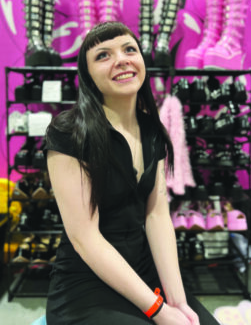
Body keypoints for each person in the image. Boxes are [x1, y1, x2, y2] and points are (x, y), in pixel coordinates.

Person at [44, 21, 219, 324]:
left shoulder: (151, 129)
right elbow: (85, 237)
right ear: (87, 76)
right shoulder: (69, 133)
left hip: (142, 267)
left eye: (129, 49)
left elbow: (157, 214)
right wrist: (158, 310)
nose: (122, 59)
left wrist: (177, 300)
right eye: (103, 55)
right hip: (85, 282)